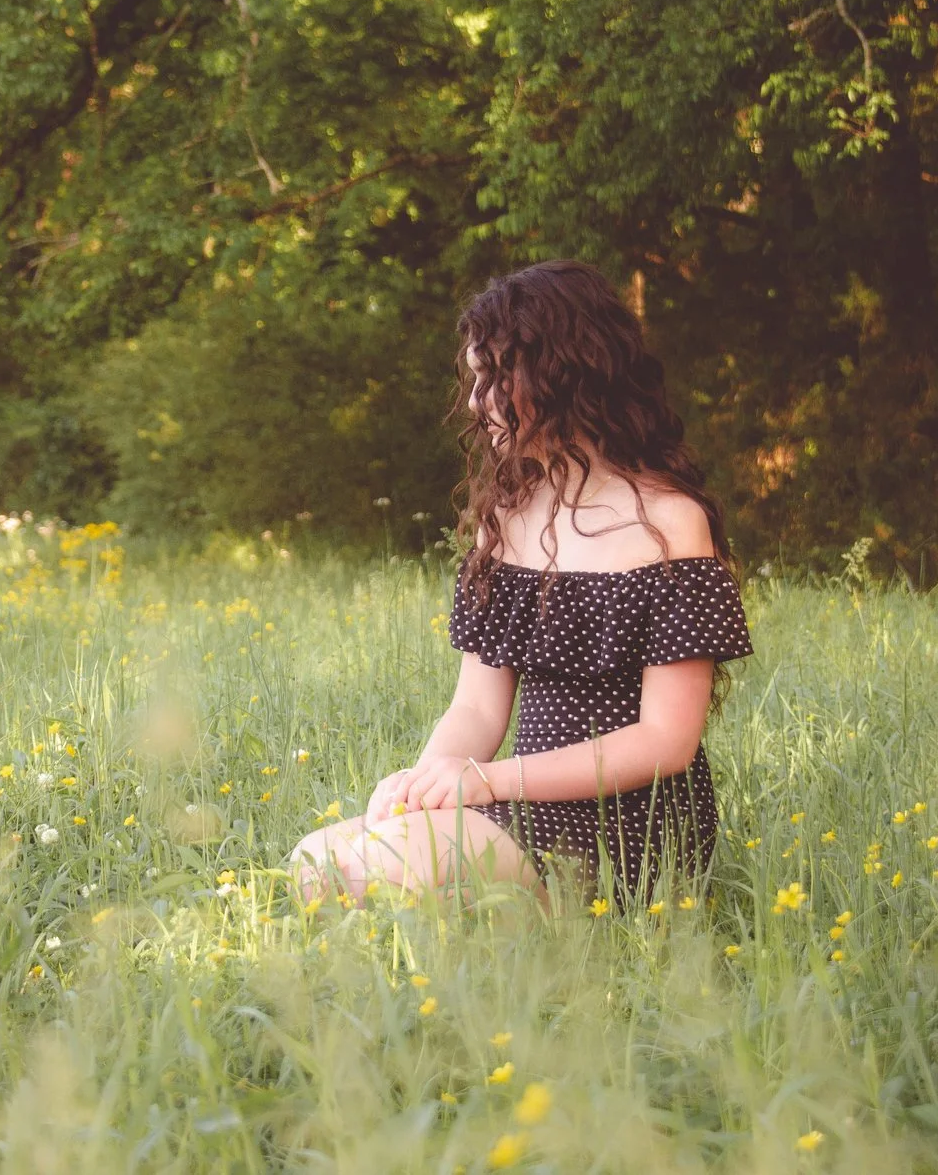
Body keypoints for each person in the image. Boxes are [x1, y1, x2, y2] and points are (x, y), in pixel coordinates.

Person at [289, 260, 755, 909]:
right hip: (520, 807)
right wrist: (422, 787)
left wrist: (484, 782)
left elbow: (665, 742)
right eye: (476, 380)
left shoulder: (672, 523)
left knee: (385, 866)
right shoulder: (507, 518)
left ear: (565, 373)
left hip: (629, 826)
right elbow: (477, 711)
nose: (478, 404)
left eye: (496, 379)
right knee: (315, 862)